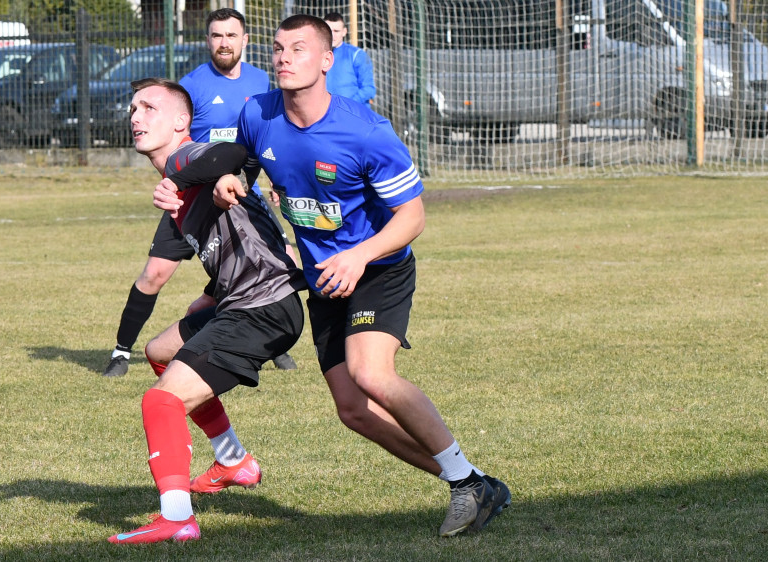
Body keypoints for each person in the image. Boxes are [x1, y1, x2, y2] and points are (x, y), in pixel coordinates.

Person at [214, 14, 510, 537]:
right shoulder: (257, 113)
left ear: (327, 60)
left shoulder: (365, 130)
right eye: (279, 48)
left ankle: (467, 486)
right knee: (352, 409)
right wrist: (226, 177)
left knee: (371, 374)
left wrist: (358, 256)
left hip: (379, 268)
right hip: (326, 277)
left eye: (299, 49)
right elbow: (240, 160)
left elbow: (413, 217)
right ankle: (471, 480)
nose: (284, 57)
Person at [108, 78, 305, 545]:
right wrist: (214, 291)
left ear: (180, 122)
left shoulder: (186, 159)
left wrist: (183, 177)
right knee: (160, 351)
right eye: (133, 108)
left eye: (149, 108)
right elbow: (235, 233)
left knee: (161, 400)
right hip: (241, 299)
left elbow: (230, 157)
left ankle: (177, 517)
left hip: (262, 306)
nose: (136, 117)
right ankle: (235, 461)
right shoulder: (184, 184)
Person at [103, 8, 297, 378]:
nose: (224, 42)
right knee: (156, 276)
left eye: (231, 35)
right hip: (193, 184)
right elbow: (198, 148)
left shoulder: (261, 81)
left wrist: (263, 179)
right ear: (208, 40)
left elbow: (250, 145)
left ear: (245, 40)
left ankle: (273, 339)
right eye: (216, 35)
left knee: (276, 253)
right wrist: (183, 180)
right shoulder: (192, 83)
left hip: (222, 185)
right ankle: (121, 353)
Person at [323, 12, 376, 107]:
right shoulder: (317, 55)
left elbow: (369, 89)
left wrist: (346, 105)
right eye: (329, 30)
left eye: (336, 31)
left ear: (344, 32)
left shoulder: (357, 55)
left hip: (353, 114)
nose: (332, 35)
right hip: (325, 114)